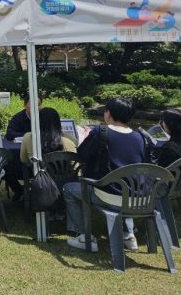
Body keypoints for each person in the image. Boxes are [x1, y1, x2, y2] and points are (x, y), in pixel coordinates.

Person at [64, 98, 148, 252]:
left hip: (109, 195)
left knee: (69, 189)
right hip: (138, 197)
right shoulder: (139, 137)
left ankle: (84, 236)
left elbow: (82, 155)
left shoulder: (101, 132)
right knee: (124, 186)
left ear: (108, 113)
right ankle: (128, 235)